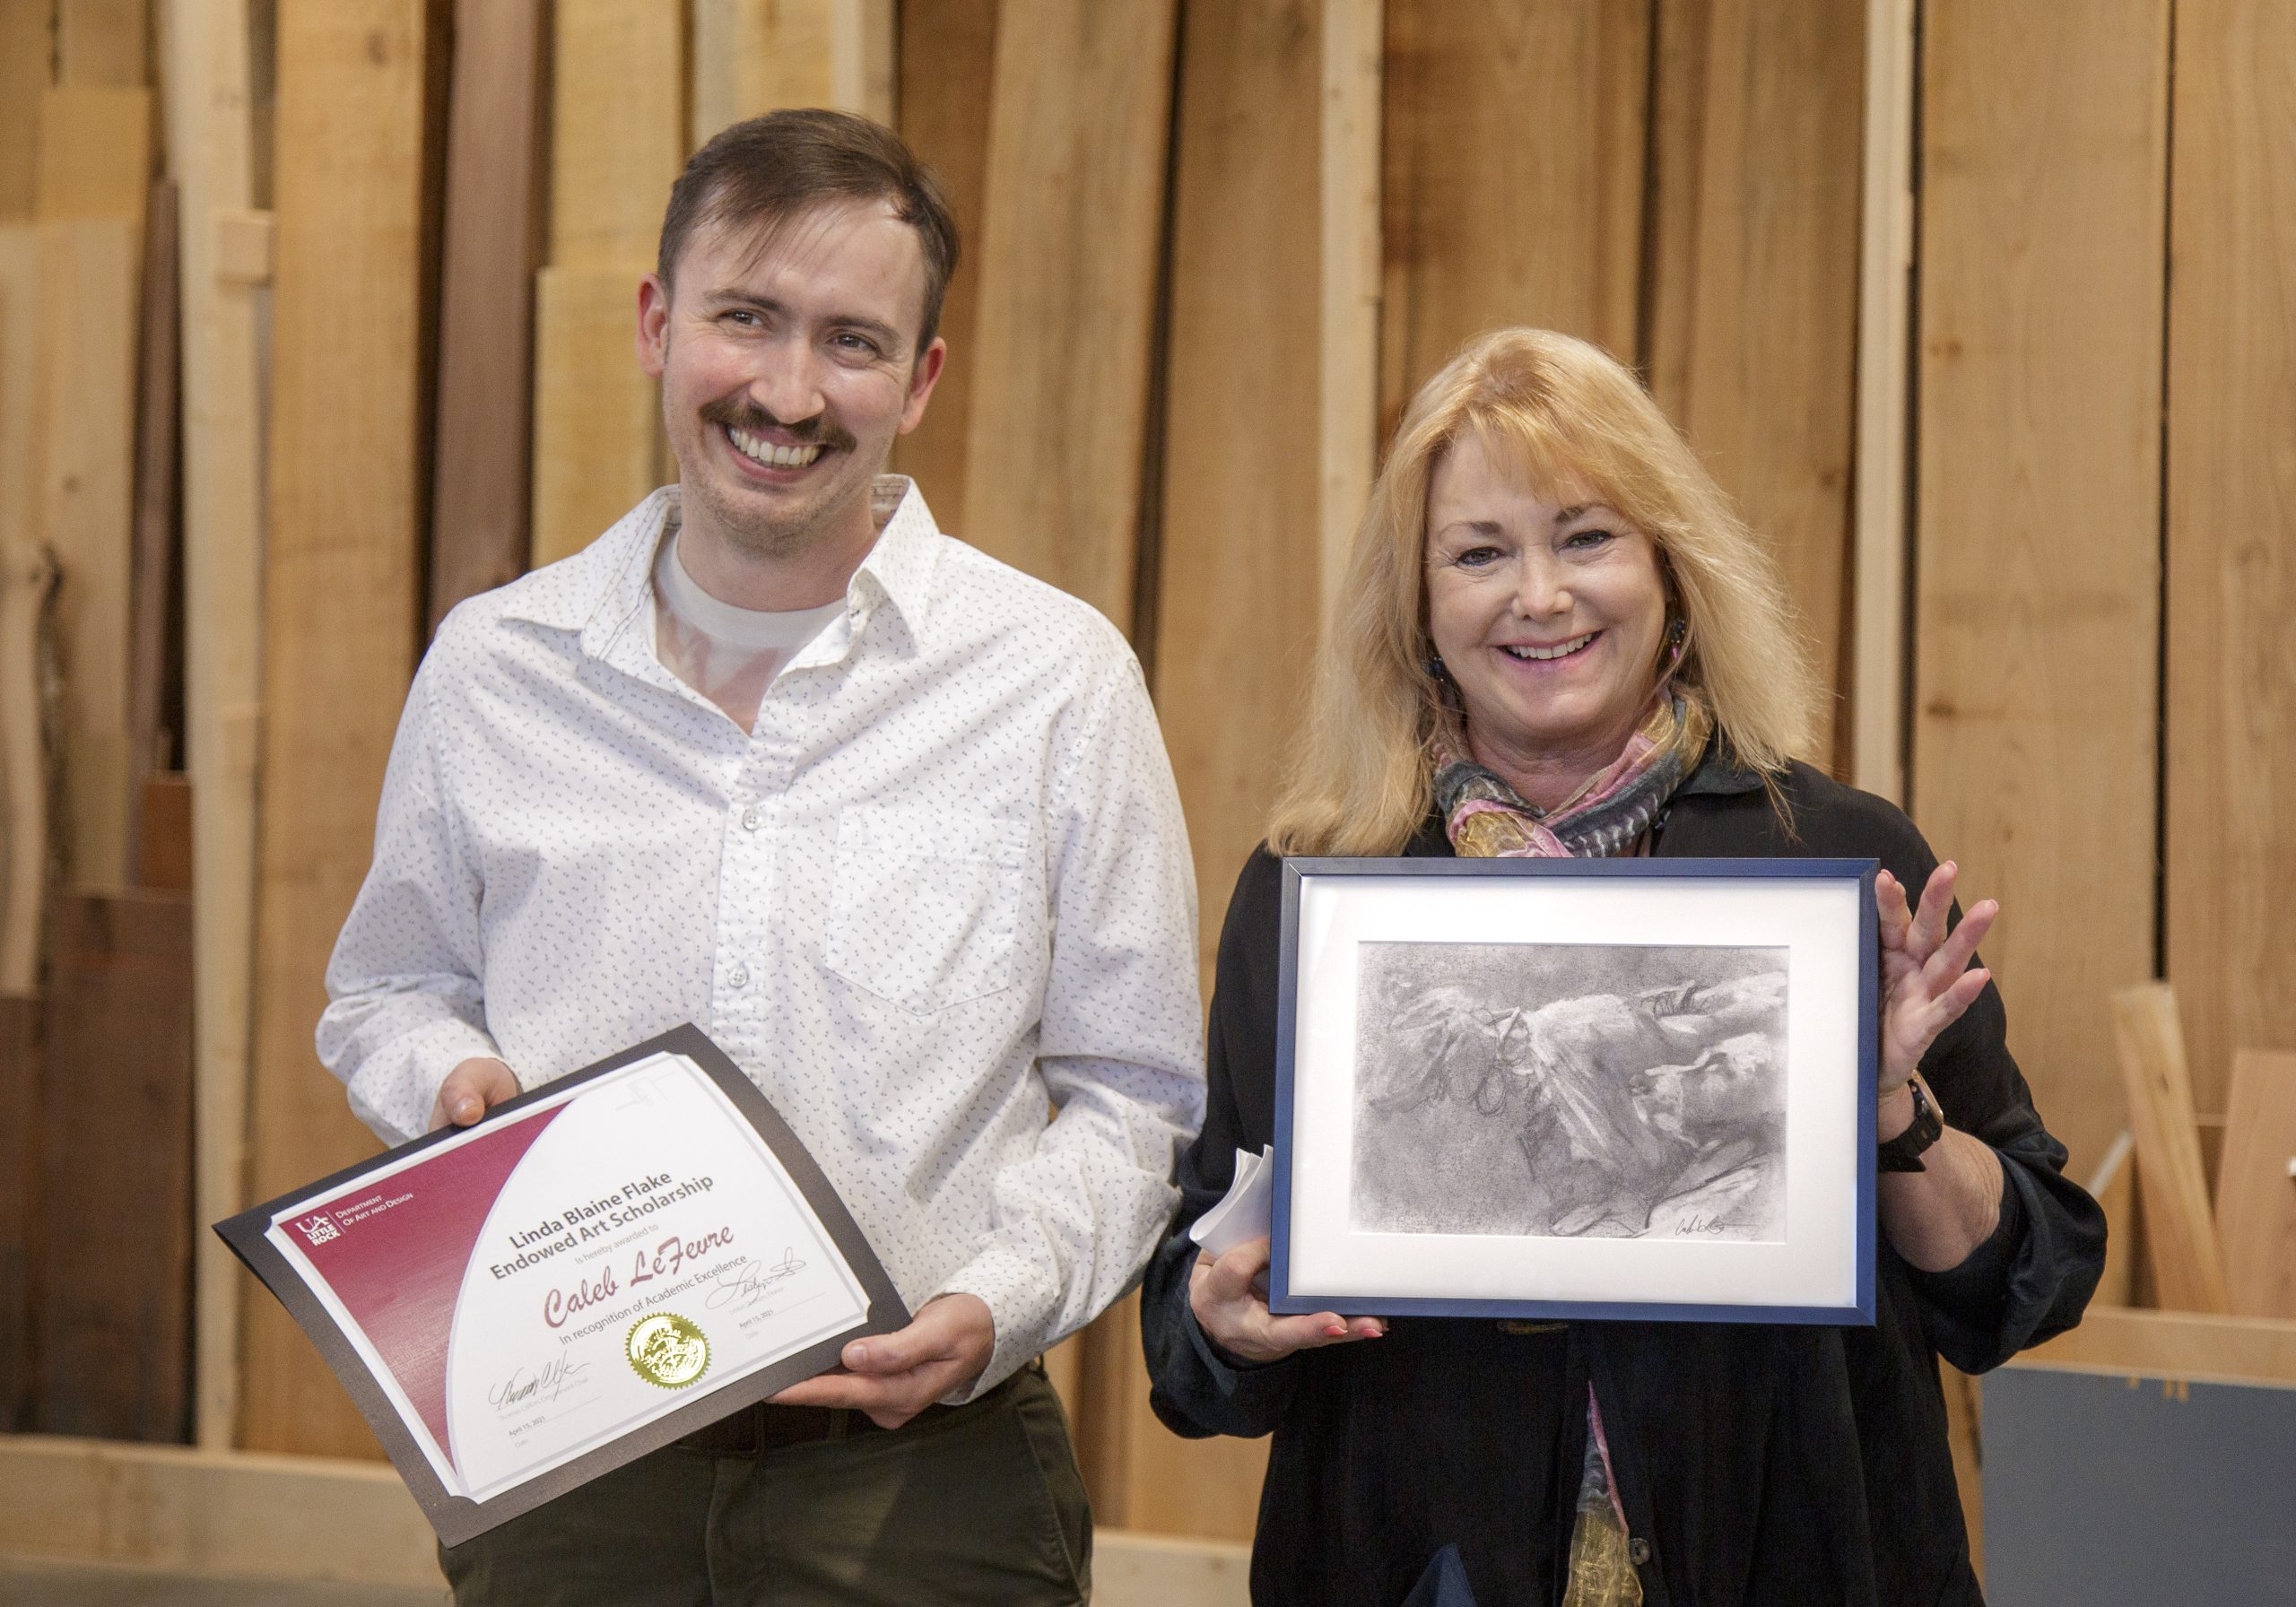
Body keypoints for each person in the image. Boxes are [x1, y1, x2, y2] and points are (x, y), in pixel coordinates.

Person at [320, 110, 1205, 1606]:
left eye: (852, 341)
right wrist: (445, 1084)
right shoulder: (498, 666)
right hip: (568, 1465)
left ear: (920, 381)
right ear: (660, 327)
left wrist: (999, 1305)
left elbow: (1137, 1094)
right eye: (746, 319)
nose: (788, 393)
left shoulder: (1055, 680)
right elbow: (389, 991)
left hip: (924, 1474)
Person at [1140, 328, 2105, 1606]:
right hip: (1419, 1562)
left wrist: (1888, 1114)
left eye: (1585, 537)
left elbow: (2020, 1294)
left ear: (1671, 568)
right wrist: (1220, 1317)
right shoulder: (1322, 889)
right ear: (1419, 603)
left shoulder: (1834, 865)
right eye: (1480, 552)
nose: (1539, 596)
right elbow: (1190, 1329)